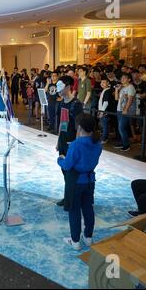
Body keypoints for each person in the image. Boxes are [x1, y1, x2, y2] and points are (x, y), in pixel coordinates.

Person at [58, 114, 102, 250]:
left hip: (76, 182)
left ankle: (75, 240)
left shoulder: (76, 145)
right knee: (88, 209)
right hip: (90, 181)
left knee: (74, 210)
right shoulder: (98, 143)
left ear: (80, 127)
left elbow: (67, 165)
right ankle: (88, 237)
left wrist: (60, 159)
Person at [55, 75, 84, 207]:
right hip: (63, 140)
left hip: (72, 142)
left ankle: (71, 198)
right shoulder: (62, 103)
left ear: (67, 87)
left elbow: (79, 126)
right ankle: (68, 195)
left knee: (71, 172)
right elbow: (63, 122)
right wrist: (58, 140)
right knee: (64, 170)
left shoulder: (76, 104)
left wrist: (76, 144)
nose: (57, 89)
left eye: (60, 86)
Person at [114, 73, 136, 152]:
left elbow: (130, 99)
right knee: (121, 128)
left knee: (122, 128)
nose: (122, 79)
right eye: (121, 78)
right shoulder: (122, 88)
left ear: (129, 79)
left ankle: (126, 145)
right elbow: (116, 99)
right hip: (119, 109)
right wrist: (117, 89)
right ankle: (122, 142)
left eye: (124, 78)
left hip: (126, 110)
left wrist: (126, 109)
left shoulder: (131, 87)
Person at [97, 75, 115, 144]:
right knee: (103, 125)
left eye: (104, 82)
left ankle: (104, 139)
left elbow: (106, 102)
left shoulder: (108, 91)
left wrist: (102, 112)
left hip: (105, 111)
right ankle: (104, 138)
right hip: (102, 110)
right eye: (101, 82)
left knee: (105, 126)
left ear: (108, 83)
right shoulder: (104, 90)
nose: (102, 83)